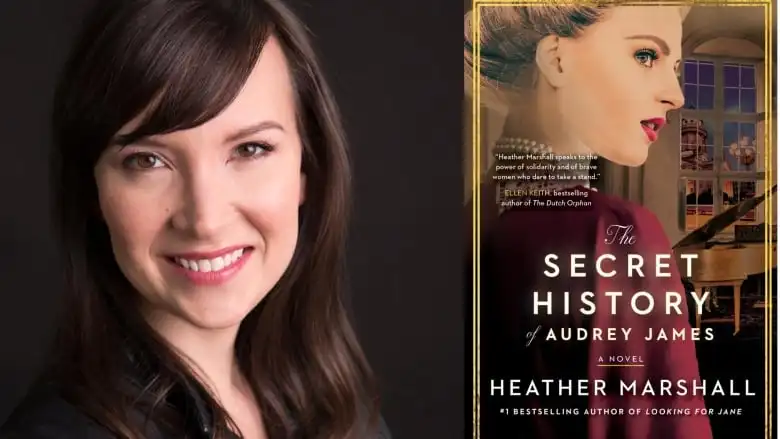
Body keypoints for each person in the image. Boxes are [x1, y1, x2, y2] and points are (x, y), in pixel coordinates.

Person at [0, 0, 391, 438]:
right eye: (148, 160)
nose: (204, 219)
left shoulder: (341, 410)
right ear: (93, 191)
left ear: (307, 171)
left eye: (250, 149)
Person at [465, 5, 714, 439]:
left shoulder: (477, 213)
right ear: (556, 59)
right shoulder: (615, 231)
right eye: (645, 56)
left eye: (674, 67)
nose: (676, 94)